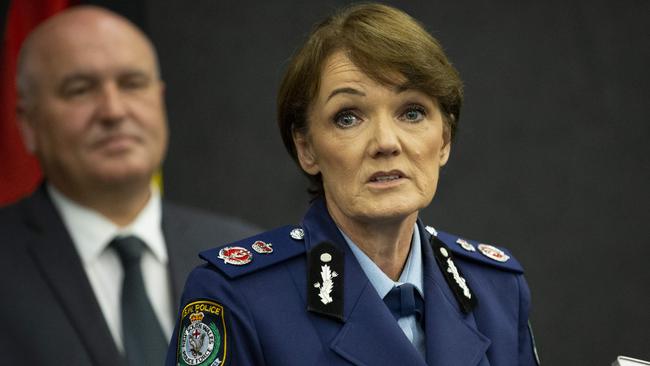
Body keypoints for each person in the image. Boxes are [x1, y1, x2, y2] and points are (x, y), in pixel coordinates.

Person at [167, 3, 539, 366]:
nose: (386, 142)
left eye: (412, 112)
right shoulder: (235, 297)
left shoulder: (498, 290)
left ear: (444, 139)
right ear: (306, 147)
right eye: (348, 118)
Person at [0, 6, 257, 366]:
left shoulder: (242, 254)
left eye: (132, 84)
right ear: (27, 124)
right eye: (79, 90)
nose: (113, 110)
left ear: (159, 99)